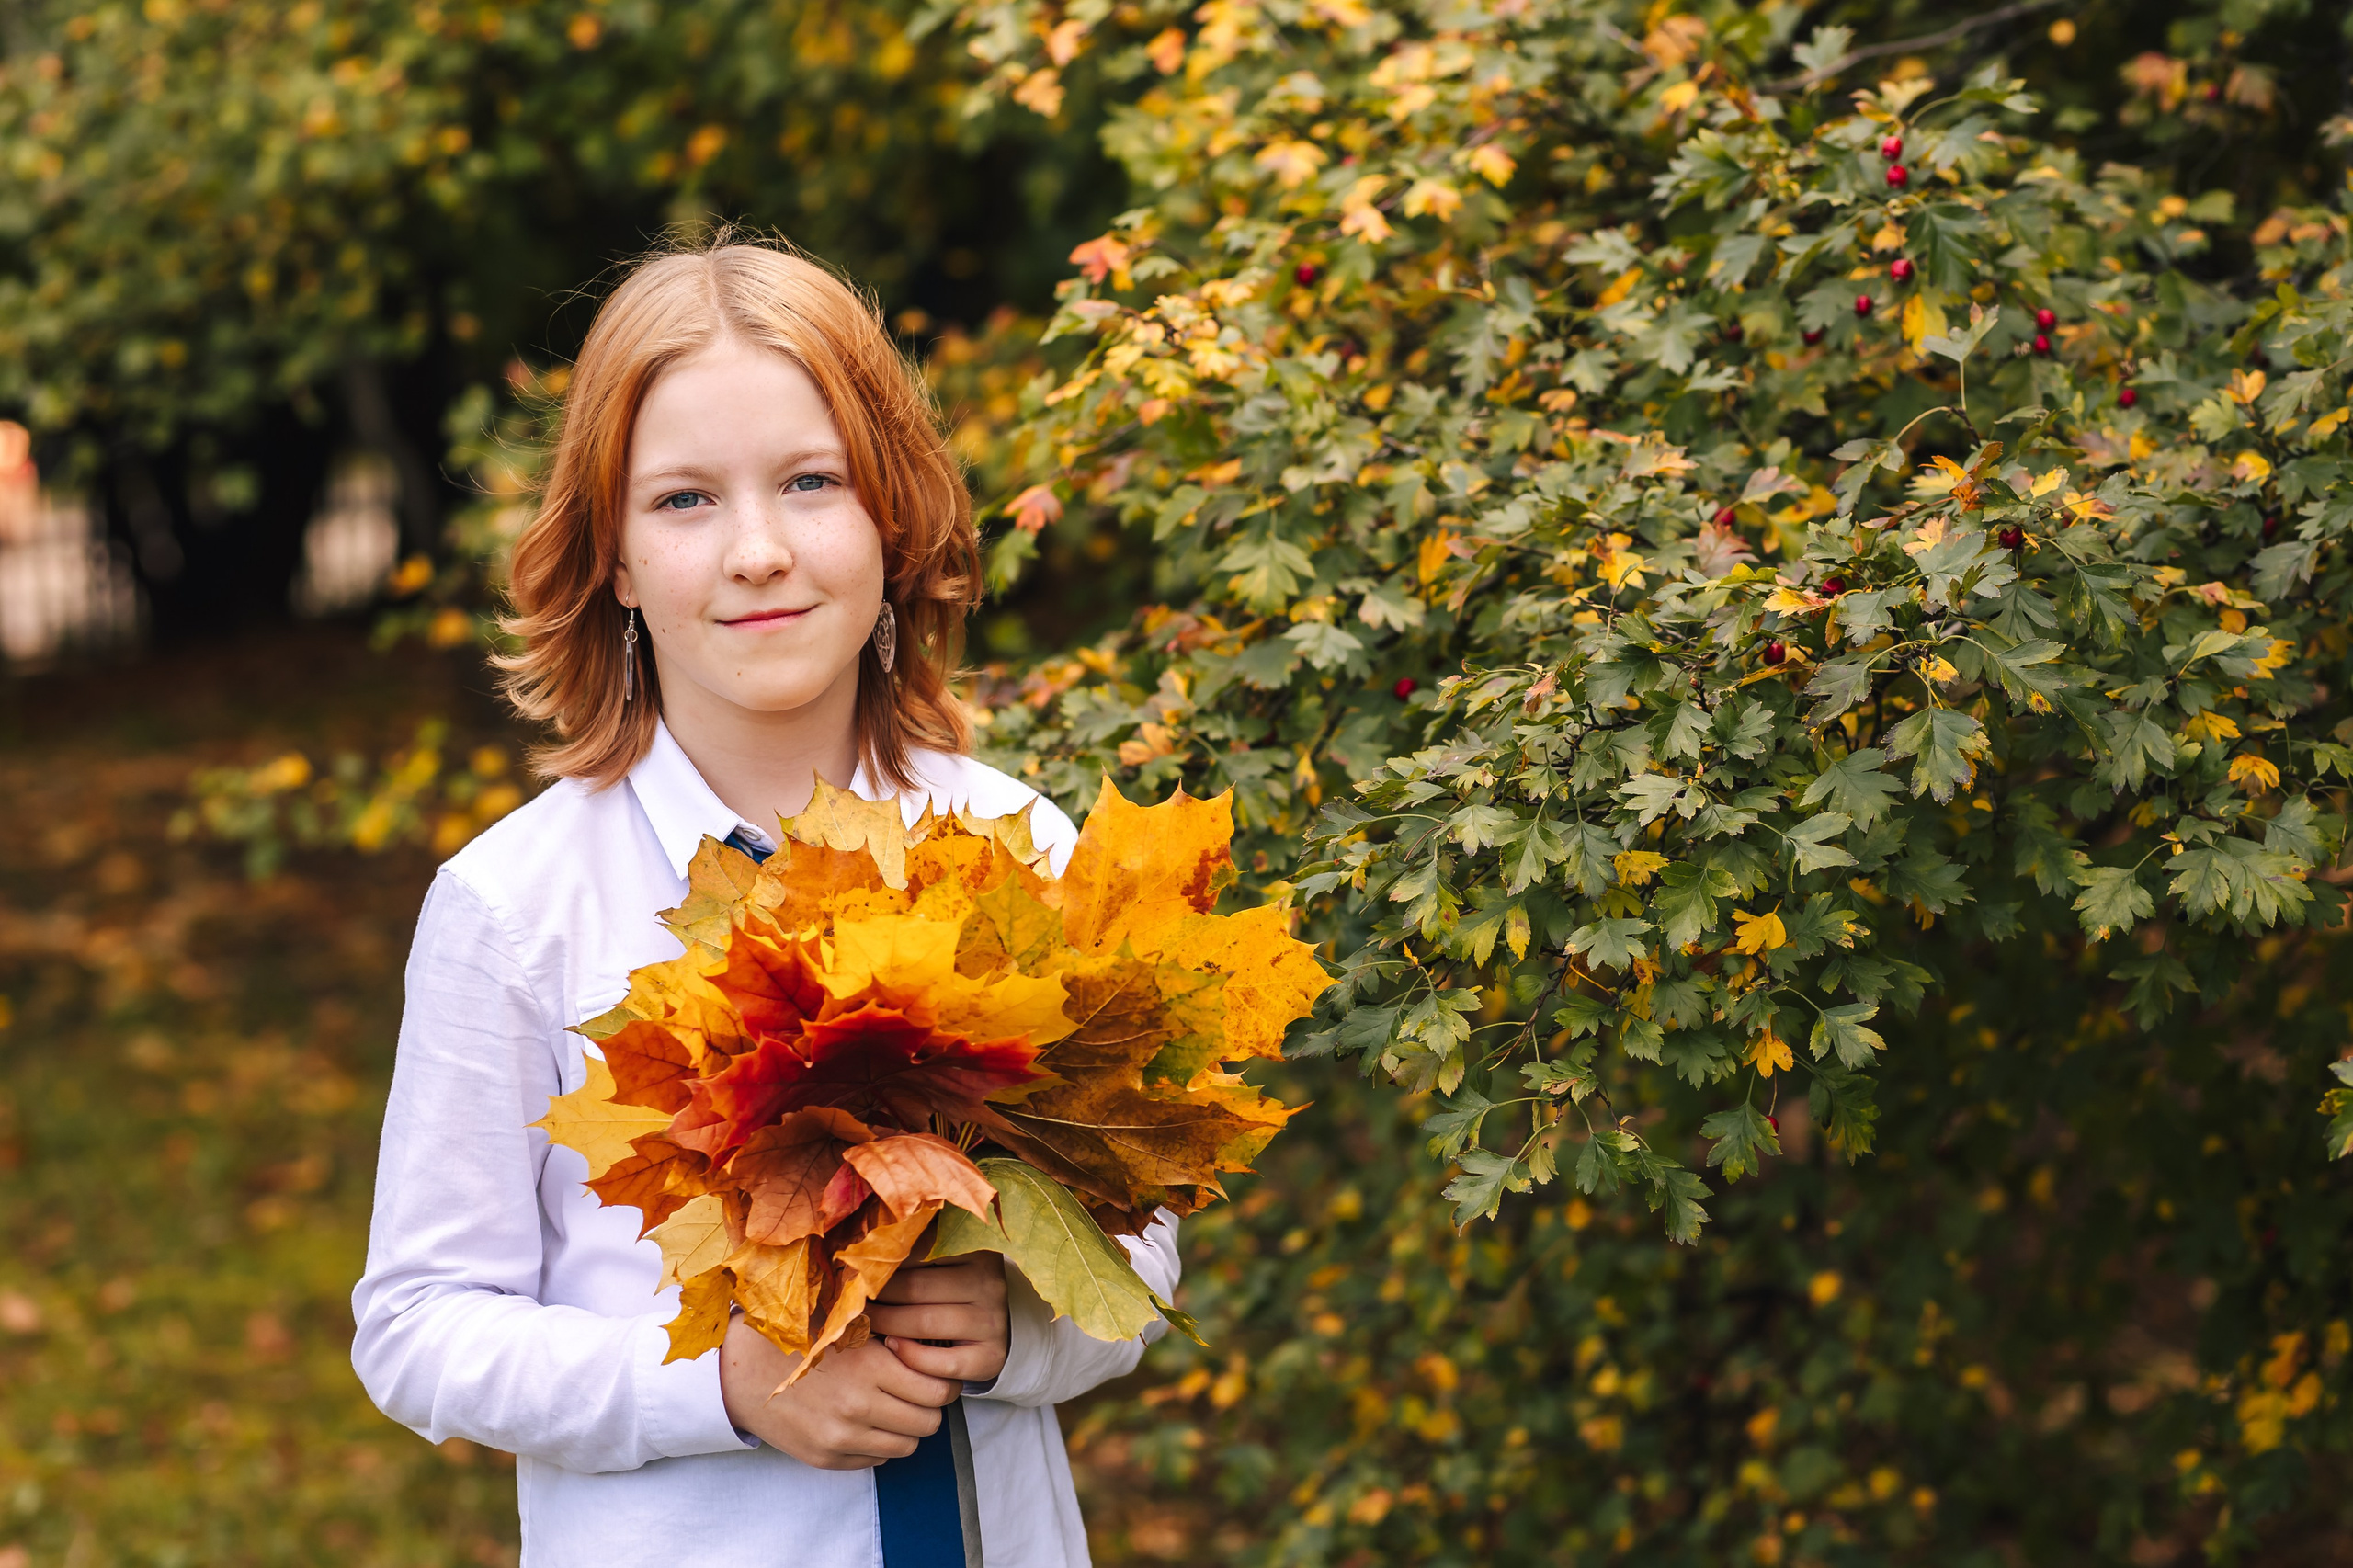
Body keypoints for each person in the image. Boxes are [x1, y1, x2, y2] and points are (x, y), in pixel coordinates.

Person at [350, 239, 1178, 1567]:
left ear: (891, 517)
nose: (756, 551)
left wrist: (1024, 1329)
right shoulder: (516, 907)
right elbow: (418, 1326)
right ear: (614, 558)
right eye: (683, 500)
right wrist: (722, 1386)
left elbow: (1142, 1247)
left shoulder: (1022, 847)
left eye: (811, 481)